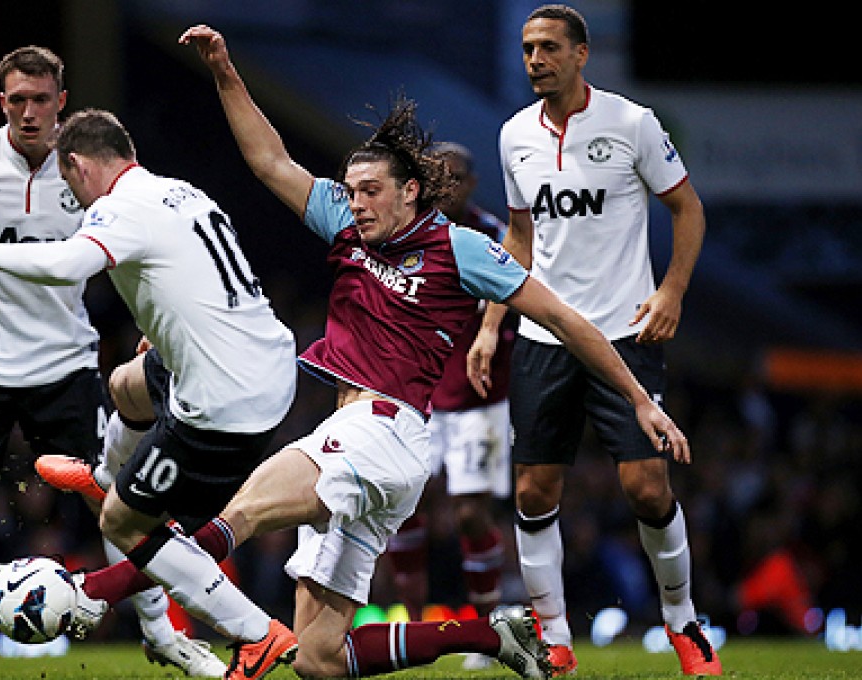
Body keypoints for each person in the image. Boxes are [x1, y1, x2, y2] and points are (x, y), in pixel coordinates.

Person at [160, 24, 685, 680]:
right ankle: (491, 638)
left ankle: (101, 589)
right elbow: (271, 162)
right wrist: (225, 73)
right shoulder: (348, 226)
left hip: (383, 430)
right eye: (349, 192)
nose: (355, 204)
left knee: (234, 517)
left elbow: (565, 320)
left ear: (410, 191)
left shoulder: (461, 248)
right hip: (360, 435)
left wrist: (640, 400)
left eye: (370, 190)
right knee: (320, 662)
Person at [0, 48, 221, 680]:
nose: (30, 112)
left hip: (64, 364)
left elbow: (133, 252)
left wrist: (149, 328)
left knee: (116, 504)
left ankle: (162, 633)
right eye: (17, 100)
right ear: (1, 101)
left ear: (62, 101)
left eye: (41, 99)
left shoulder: (88, 168)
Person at [0, 108, 298, 678]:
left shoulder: (117, 208)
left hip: (225, 401)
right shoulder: (179, 191)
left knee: (123, 525)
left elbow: (68, 264)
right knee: (127, 385)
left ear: (77, 164)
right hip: (264, 361)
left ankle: (256, 635)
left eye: (67, 178)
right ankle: (106, 473)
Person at [467, 5, 719, 676]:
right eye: (526, 48)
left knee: (644, 487)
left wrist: (671, 292)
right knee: (532, 493)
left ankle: (682, 621)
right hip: (543, 338)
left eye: (548, 47)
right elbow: (518, 240)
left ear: (581, 55)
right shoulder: (514, 133)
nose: (534, 60)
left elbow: (688, 208)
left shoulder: (632, 123)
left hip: (624, 335)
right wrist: (493, 323)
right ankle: (554, 637)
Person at [383, 142, 516, 670]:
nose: (448, 185)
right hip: (417, 398)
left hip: (480, 402)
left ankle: (485, 632)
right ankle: (415, 629)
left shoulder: (497, 237)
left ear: (473, 183)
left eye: (456, 176)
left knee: (468, 513)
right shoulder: (406, 237)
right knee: (405, 509)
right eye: (437, 177)